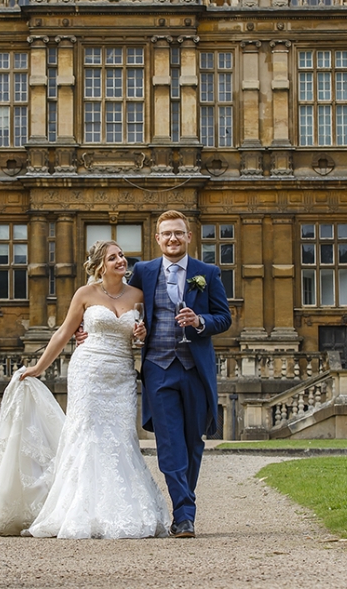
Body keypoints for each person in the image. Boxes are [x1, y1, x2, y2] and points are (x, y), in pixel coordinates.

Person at [0, 241, 170, 539]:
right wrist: (38, 368)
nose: (121, 260)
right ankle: (78, 510)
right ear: (100, 266)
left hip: (122, 375)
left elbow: (142, 338)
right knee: (86, 435)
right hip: (88, 372)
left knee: (122, 437)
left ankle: (121, 507)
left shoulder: (137, 295)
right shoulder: (84, 294)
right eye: (113, 258)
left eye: (122, 255)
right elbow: (64, 332)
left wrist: (142, 333)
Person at [127, 210, 231, 539]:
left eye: (178, 233)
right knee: (170, 444)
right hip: (158, 369)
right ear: (157, 239)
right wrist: (89, 329)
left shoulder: (207, 272)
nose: (173, 238)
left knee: (192, 442)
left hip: (195, 369)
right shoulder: (142, 272)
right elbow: (121, 303)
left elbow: (223, 318)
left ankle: (184, 504)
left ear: (188, 237)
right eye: (166, 234)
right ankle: (184, 515)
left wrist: (200, 322)